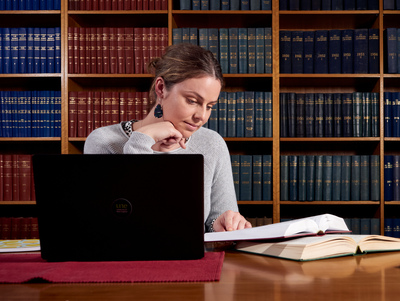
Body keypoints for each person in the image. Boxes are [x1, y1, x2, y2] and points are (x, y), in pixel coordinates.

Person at [84, 43, 252, 233]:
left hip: (190, 260)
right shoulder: (104, 142)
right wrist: (143, 139)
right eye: (192, 101)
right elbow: (119, 226)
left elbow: (217, 222)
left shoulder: (212, 144)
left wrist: (221, 225)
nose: (202, 116)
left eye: (209, 106)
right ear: (161, 88)